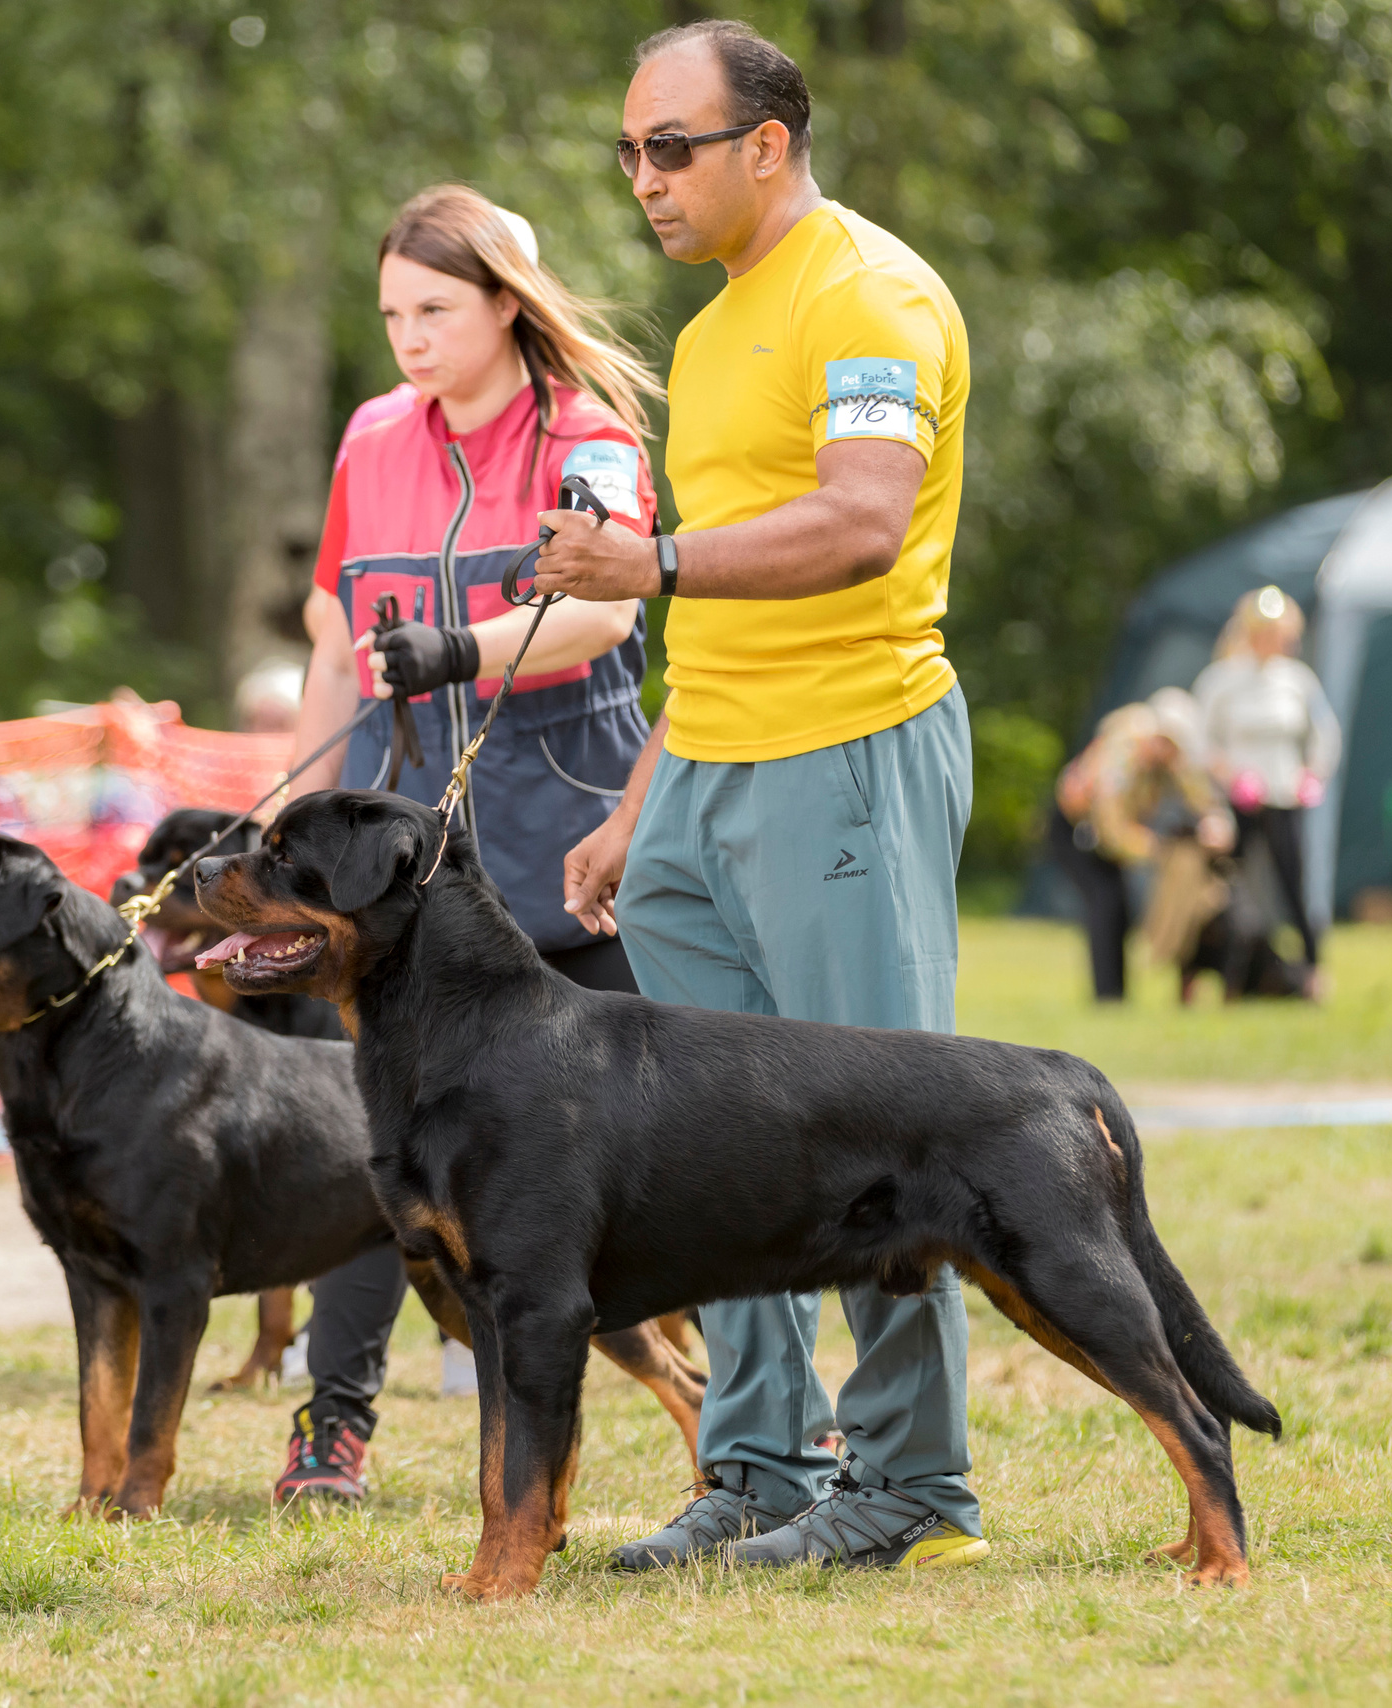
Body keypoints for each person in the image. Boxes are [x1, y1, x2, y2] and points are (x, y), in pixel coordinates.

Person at [542, 20, 985, 1573]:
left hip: (847, 755)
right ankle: (763, 1471)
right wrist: (636, 800)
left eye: (671, 148)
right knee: (711, 1151)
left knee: (882, 1134)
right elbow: (719, 601)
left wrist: (644, 563)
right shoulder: (721, 323)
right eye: (629, 151)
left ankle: (916, 1489)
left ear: (767, 147)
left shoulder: (865, 296)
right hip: (704, 778)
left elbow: (862, 525)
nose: (643, 181)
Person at [269, 185, 663, 1505]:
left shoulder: (589, 437)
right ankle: (332, 1429)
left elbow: (603, 618)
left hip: (577, 848)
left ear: (508, 301)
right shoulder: (373, 437)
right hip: (404, 873)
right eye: (391, 314)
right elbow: (338, 644)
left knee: (653, 1156)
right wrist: (286, 818)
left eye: (435, 309)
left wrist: (460, 648)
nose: (410, 340)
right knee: (375, 1152)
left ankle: (763, 1424)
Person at [1193, 585, 1339, 983]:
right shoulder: (1222, 679)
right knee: (1226, 889)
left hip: (1284, 796)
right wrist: (1228, 776)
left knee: (1293, 883)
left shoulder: (1297, 679)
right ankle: (1220, 973)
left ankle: (1312, 969)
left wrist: (1313, 773)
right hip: (1238, 800)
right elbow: (1201, 740)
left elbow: (1324, 734)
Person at [1052, 689, 1234, 1003]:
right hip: (1076, 829)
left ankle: (1115, 997)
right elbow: (1111, 830)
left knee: (1119, 910)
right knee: (1105, 904)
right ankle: (1107, 997)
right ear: (1158, 736)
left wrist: (1215, 818)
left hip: (1109, 834)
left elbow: (1198, 793)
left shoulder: (1169, 756)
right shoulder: (1120, 756)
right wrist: (1156, 850)